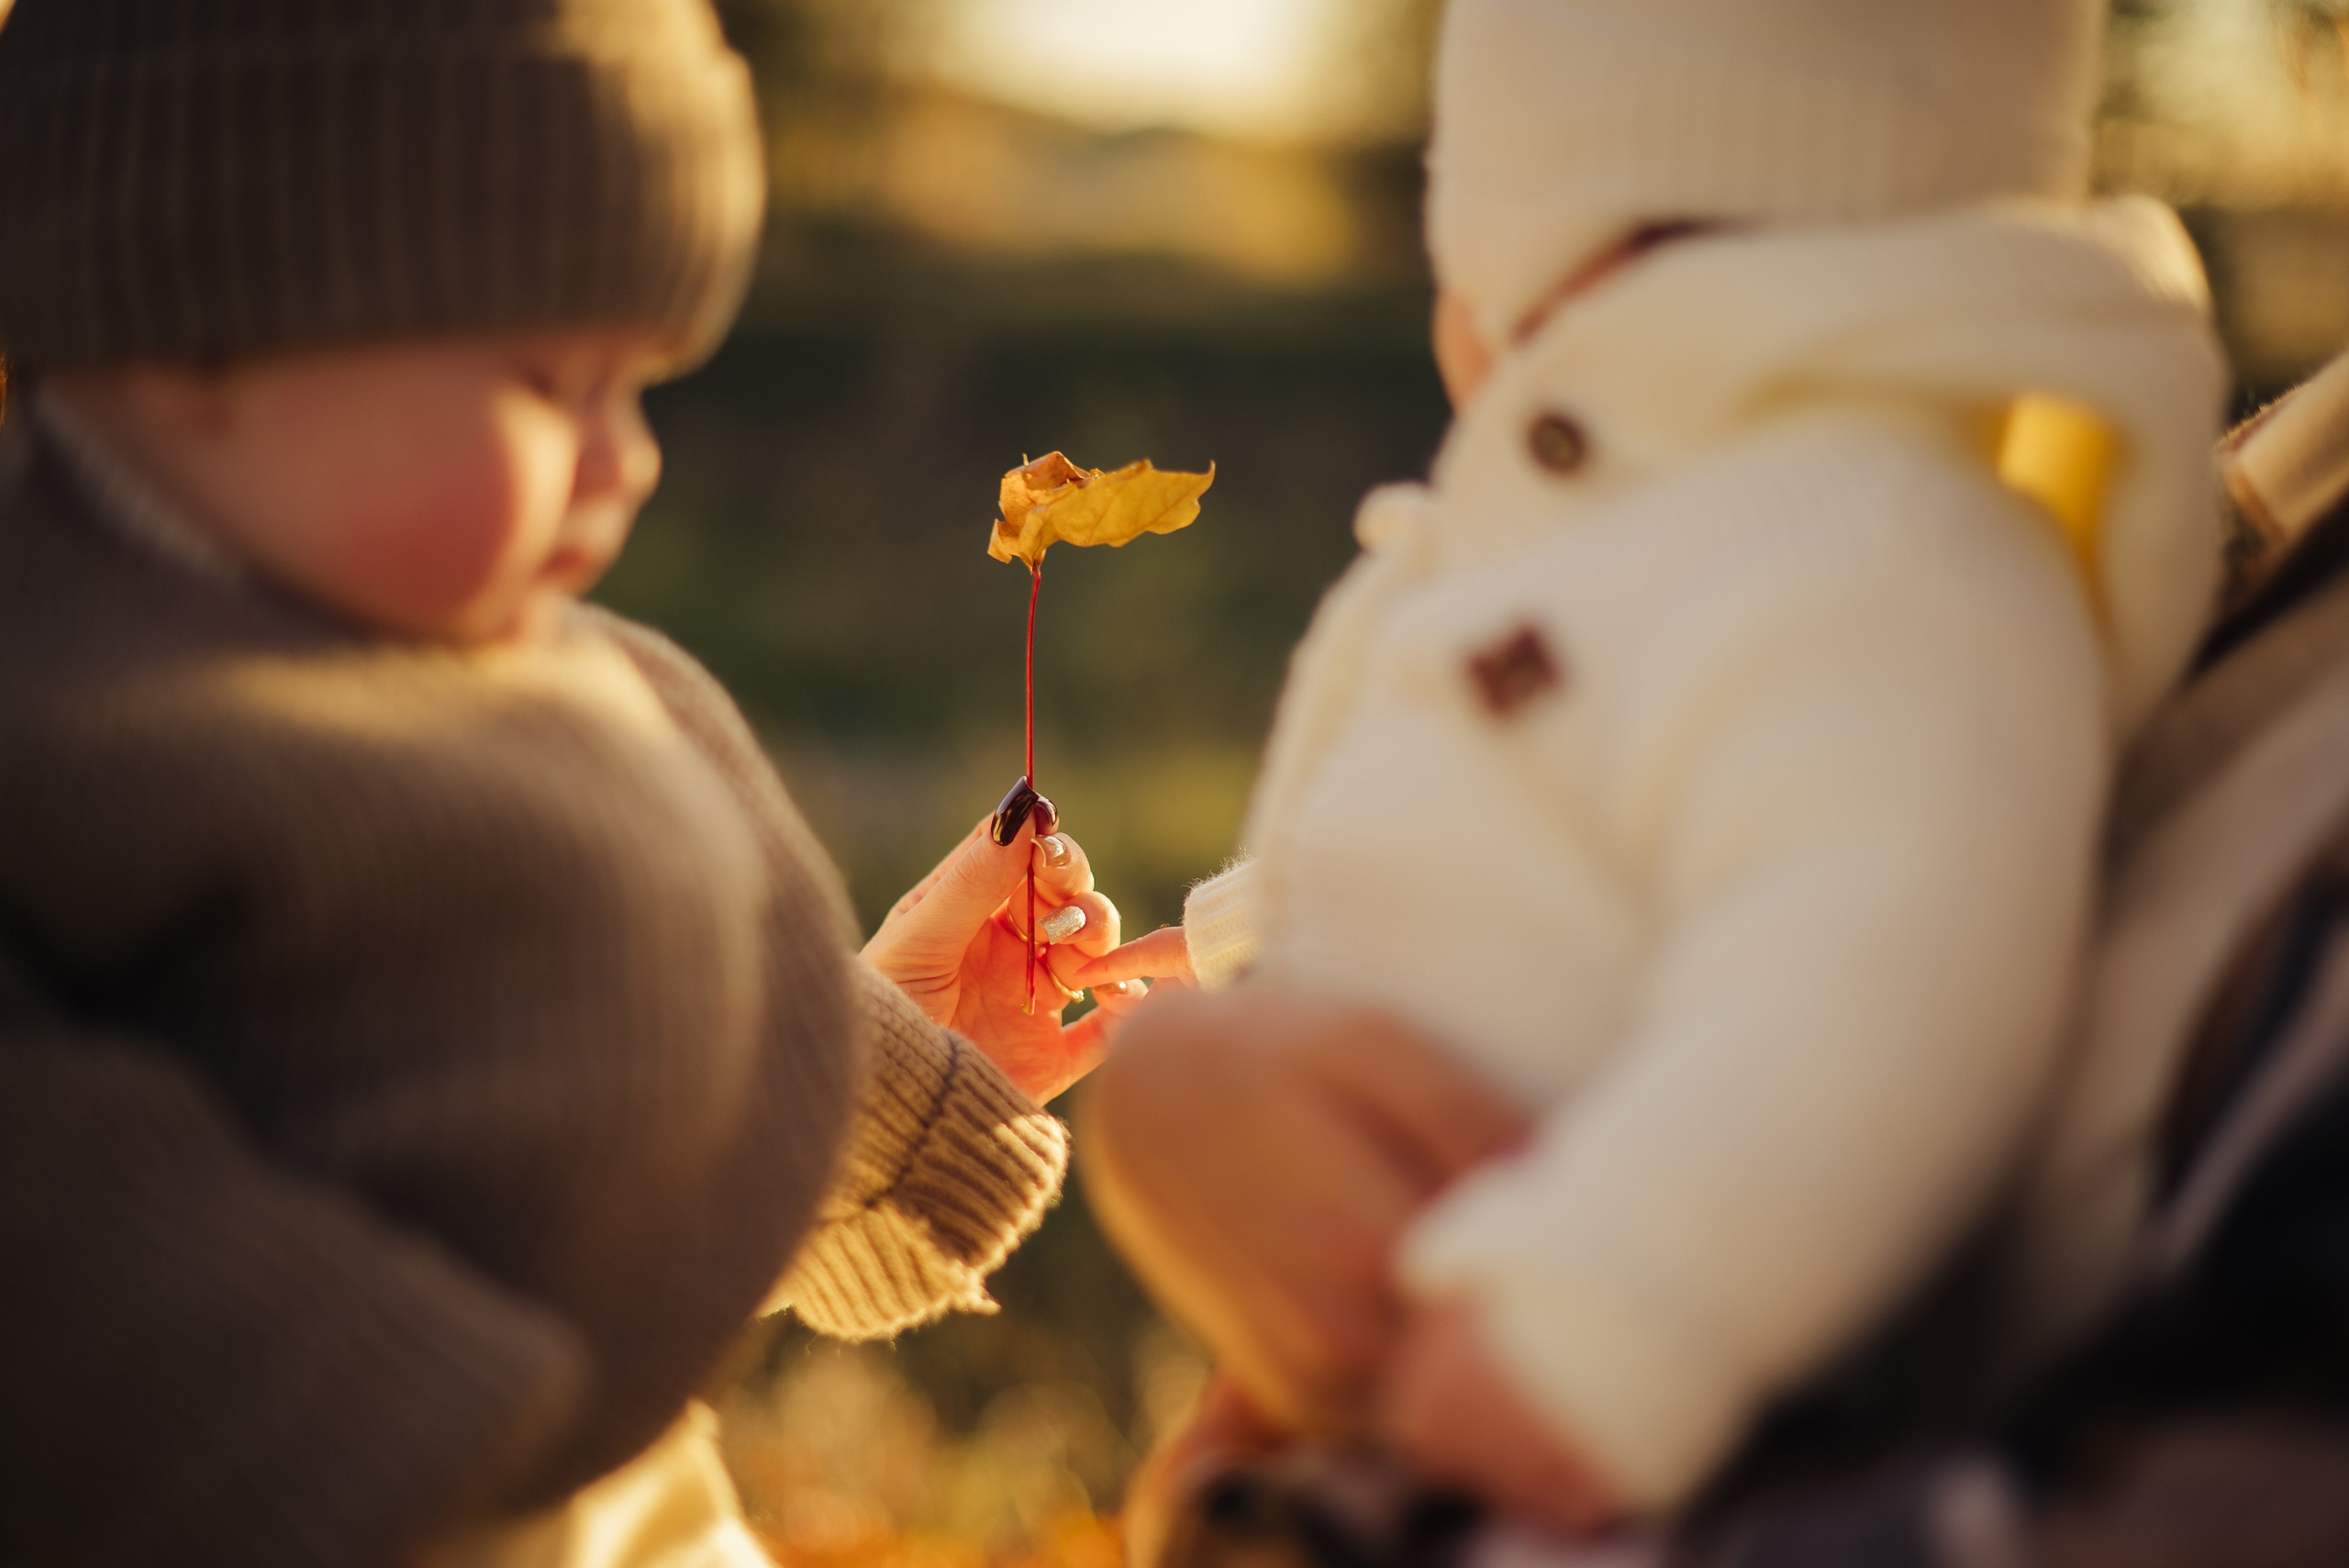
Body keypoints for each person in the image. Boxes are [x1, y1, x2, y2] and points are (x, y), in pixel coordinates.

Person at [0, 4, 1166, 1563]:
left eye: (640, 385)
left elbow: (574, 1138)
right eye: (554, 382)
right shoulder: (69, 728)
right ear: (202, 330)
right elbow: (125, 1315)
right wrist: (534, 1373)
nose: (631, 458)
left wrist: (882, 1063)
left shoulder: (569, 688)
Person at [1082, 0, 2229, 1540]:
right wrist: (1225, 943)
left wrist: (1606, 1327)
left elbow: (1887, 967)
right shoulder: (1696, 530)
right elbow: (1546, 821)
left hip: (1572, 1410)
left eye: (1464, 261)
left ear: (1560, 238)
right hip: (1407, 1347)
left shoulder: (1887, 560)